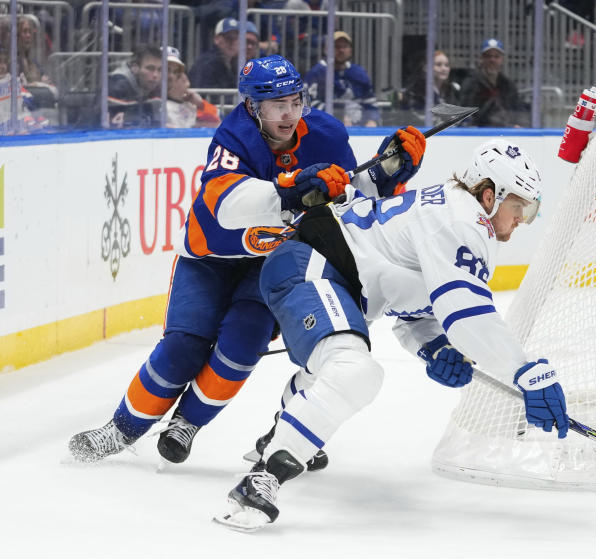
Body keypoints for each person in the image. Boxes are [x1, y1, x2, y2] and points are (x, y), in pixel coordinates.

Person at [68, 55, 427, 466]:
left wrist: (387, 173)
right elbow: (226, 204)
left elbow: (352, 195)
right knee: (184, 346)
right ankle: (121, 430)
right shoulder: (234, 135)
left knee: (242, 344)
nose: (290, 114)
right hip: (209, 259)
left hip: (271, 261)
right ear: (253, 107)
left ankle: (187, 422)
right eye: (278, 105)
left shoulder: (325, 134)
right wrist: (291, 189)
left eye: (295, 101)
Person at [213, 140, 571, 531]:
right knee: (354, 370)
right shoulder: (465, 222)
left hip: (324, 275)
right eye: (520, 207)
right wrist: (525, 369)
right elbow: (464, 312)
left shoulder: (450, 210)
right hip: (313, 265)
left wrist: (433, 345)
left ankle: (279, 434)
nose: (522, 219)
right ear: (490, 195)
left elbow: (413, 305)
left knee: (337, 365)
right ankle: (260, 481)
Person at [303, 30, 381, 127]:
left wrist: (372, 119)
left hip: (359, 127)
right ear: (327, 50)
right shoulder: (316, 73)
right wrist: (337, 115)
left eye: (345, 47)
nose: (341, 50)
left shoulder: (359, 72)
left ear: (350, 50)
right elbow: (308, 104)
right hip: (327, 127)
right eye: (337, 47)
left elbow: (370, 102)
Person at [459, 38, 529, 128]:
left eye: (496, 56)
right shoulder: (471, 83)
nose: (492, 60)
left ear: (502, 59)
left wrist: (518, 123)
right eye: (488, 56)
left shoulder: (508, 85)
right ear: (481, 58)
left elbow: (517, 108)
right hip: (479, 133)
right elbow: (465, 112)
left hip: (505, 131)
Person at [188, 17, 260, 89]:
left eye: (237, 38)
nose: (233, 43)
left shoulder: (231, 63)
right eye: (229, 38)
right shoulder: (208, 63)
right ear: (217, 39)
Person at [163, 46, 221, 128]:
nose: (171, 75)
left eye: (177, 71)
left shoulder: (193, 103)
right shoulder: (159, 106)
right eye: (168, 70)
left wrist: (201, 105)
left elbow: (218, 120)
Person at [107, 44, 163, 128]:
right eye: (150, 68)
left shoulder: (152, 84)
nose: (156, 75)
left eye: (160, 70)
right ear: (135, 68)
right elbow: (114, 128)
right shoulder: (117, 86)